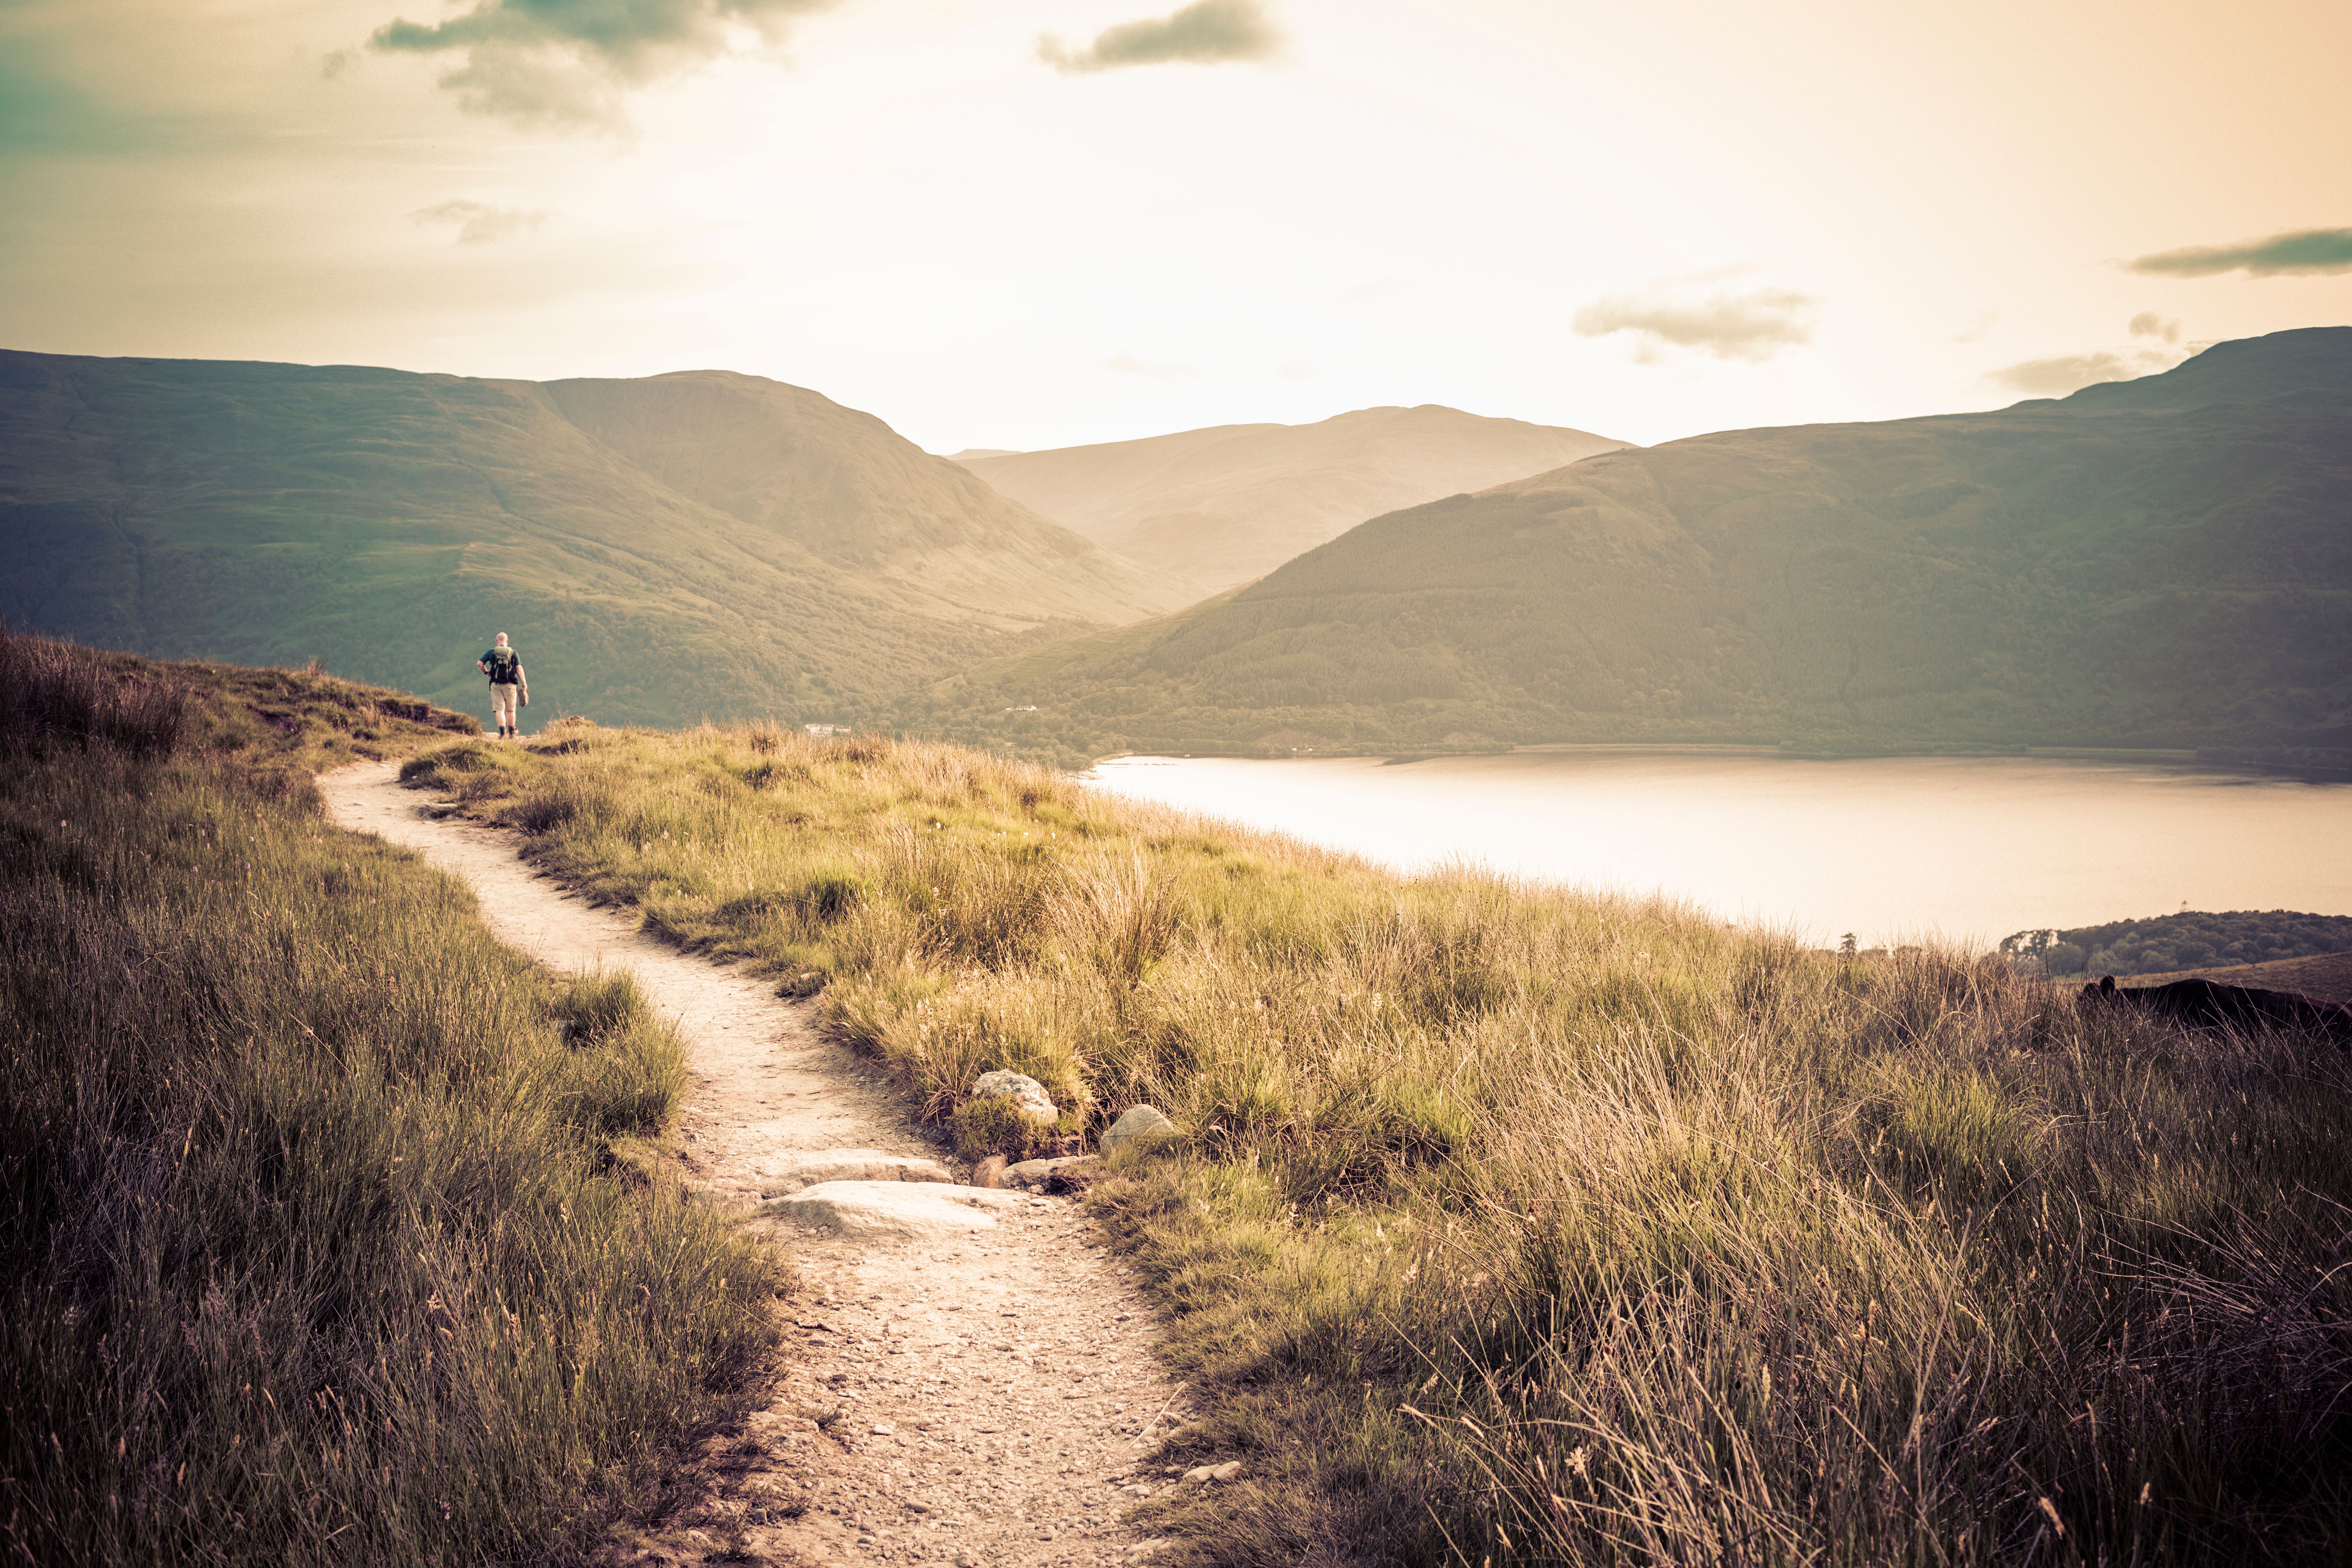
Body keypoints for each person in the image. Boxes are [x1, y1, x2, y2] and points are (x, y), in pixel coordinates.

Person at [477, 633, 528, 741]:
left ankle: (502, 733)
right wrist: (524, 683)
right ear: (507, 641)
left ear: (497, 641)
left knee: (499, 709)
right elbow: (518, 668)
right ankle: (512, 733)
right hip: (510, 685)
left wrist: (486, 673)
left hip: (496, 684)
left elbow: (480, 664)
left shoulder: (492, 652)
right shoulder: (513, 653)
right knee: (510, 710)